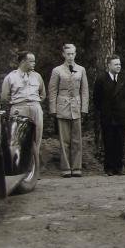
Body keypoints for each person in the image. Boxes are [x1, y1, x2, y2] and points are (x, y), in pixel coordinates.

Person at [0, 51, 46, 177]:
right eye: (31, 61)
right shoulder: (11, 77)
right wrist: (17, 103)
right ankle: (20, 171)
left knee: (37, 138)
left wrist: (34, 103)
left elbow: (43, 93)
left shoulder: (37, 76)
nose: (34, 63)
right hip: (19, 108)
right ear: (22, 62)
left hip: (35, 107)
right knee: (19, 139)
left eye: (34, 61)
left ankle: (33, 171)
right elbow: (4, 97)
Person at [47, 44, 89, 178]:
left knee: (77, 139)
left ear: (75, 54)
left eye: (72, 54)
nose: (70, 56)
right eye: (68, 54)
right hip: (62, 106)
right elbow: (52, 90)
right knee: (64, 140)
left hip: (76, 107)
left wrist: (84, 108)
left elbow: (85, 91)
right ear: (63, 54)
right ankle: (66, 168)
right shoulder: (57, 70)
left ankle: (76, 167)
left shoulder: (81, 69)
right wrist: (53, 108)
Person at [93, 54, 125, 176]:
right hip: (108, 117)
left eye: (119, 64)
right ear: (109, 65)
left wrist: (123, 110)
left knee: (120, 142)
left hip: (120, 116)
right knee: (108, 143)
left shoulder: (124, 79)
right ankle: (108, 168)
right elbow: (96, 99)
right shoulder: (101, 79)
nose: (118, 66)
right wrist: (104, 111)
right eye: (116, 64)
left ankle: (118, 168)